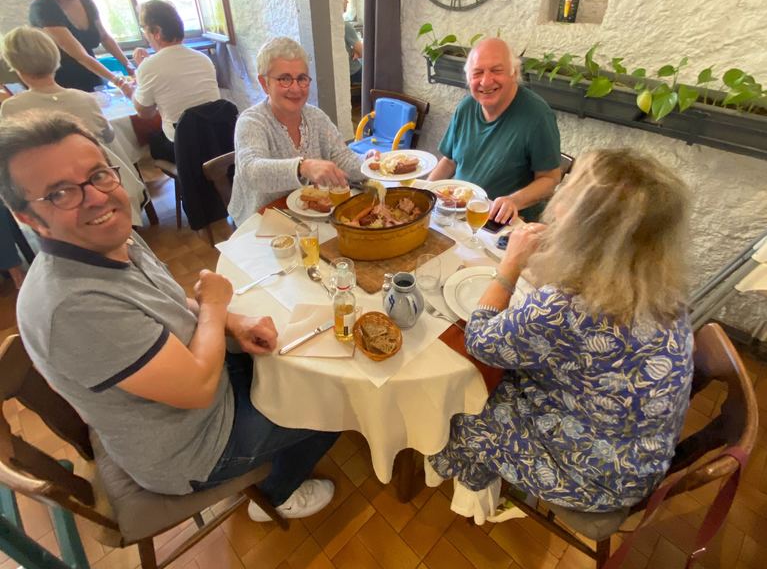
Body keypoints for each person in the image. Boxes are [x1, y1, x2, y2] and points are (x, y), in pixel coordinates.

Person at [1, 113, 338, 520]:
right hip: (194, 449)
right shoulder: (72, 307)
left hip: (200, 391)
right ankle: (277, 494)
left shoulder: (110, 237)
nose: (96, 198)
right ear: (27, 218)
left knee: (303, 357)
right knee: (334, 401)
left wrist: (234, 322)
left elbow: (171, 305)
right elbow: (197, 388)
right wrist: (215, 307)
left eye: (98, 175)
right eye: (60, 193)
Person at [428, 149, 694, 518]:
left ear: (588, 225)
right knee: (498, 375)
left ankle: (474, 494)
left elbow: (481, 340)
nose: (560, 193)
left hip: (591, 477)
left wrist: (510, 265)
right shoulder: (658, 284)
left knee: (461, 405)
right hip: (639, 456)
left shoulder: (567, 305)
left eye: (571, 190)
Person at [229, 36, 366, 225]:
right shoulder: (251, 121)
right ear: (264, 83)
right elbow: (251, 171)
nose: (295, 88)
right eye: (285, 79)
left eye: (301, 79)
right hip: (260, 221)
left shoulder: (316, 117)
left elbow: (342, 157)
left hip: (309, 216)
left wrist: (370, 164)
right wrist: (303, 167)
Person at [428, 37, 561, 224]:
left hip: (504, 223)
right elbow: (450, 161)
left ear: (514, 73)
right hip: (458, 214)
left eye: (496, 71)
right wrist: (425, 191)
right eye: (477, 73)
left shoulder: (537, 116)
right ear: (469, 79)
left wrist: (513, 201)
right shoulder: (465, 108)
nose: (486, 81)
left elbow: (550, 179)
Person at [24, 0, 135, 95]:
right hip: (61, 82)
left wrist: (129, 65)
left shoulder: (85, 0)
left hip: (92, 75)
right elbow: (80, 55)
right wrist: (118, 81)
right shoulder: (44, 8)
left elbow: (104, 37)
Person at [130, 0, 221, 163]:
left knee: (153, 141)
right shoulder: (203, 59)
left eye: (144, 29)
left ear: (156, 32)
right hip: (216, 140)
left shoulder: (148, 67)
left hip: (183, 147)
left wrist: (133, 86)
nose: (145, 36)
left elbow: (145, 113)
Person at [1, 26, 114, 143]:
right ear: (55, 56)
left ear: (15, 67)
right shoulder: (86, 99)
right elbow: (108, 137)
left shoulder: (12, 107)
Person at [343, 0, 363, 92]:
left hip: (345, 75)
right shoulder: (345, 26)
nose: (347, 1)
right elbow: (363, 52)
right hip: (353, 73)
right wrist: (357, 51)